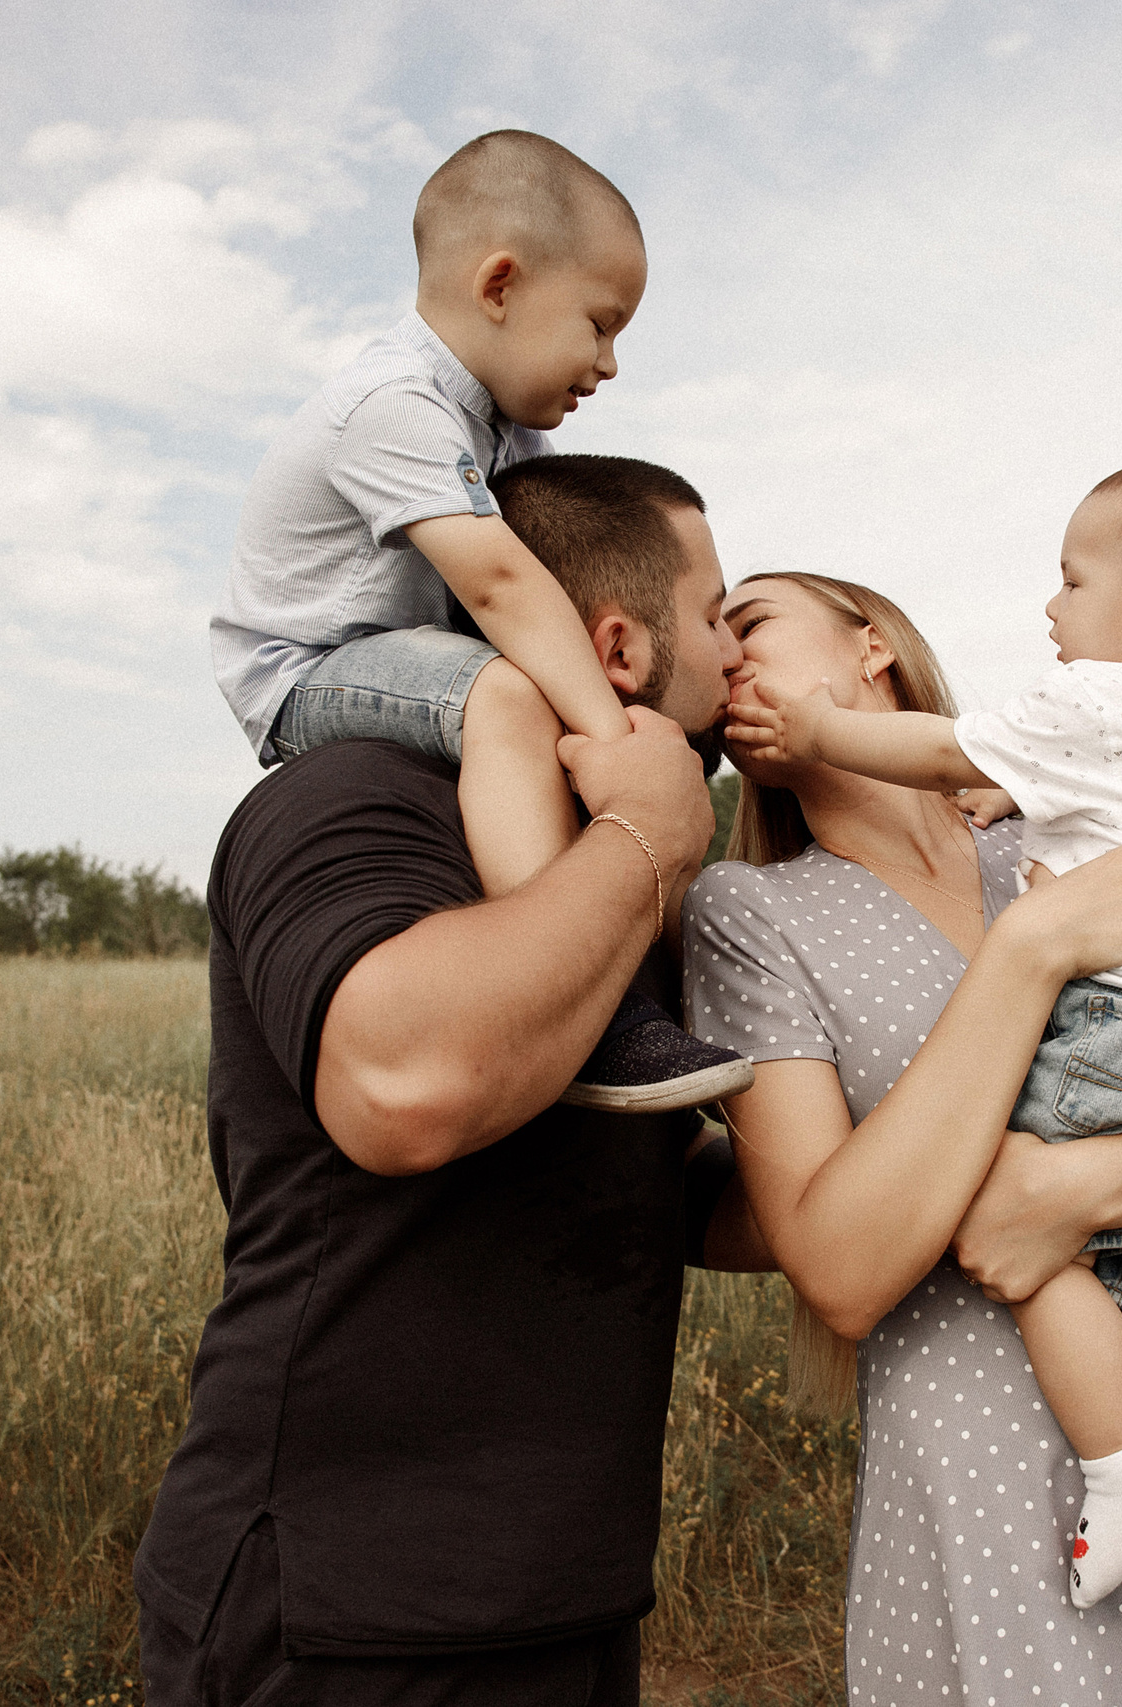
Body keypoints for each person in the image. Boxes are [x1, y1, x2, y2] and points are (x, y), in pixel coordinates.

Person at [139, 455, 769, 1707]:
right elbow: (407, 1085)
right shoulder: (350, 797)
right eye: (712, 614)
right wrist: (650, 835)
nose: (735, 650)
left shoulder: (597, 860)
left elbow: (625, 1173)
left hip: (565, 1589)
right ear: (618, 647)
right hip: (346, 1602)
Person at [687, 572, 1122, 1703]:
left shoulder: (1069, 834)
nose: (723, 661)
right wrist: (1029, 952)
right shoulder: (751, 910)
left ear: (873, 650)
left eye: (748, 622)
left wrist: (1076, 1191)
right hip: (981, 1445)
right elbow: (843, 1272)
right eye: (710, 646)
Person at [208, 128, 745, 1112]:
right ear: (499, 284)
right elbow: (500, 586)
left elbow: (550, 571)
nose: (611, 362)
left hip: (396, 652)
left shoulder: (508, 429)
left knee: (515, 691)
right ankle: (594, 1007)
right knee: (505, 696)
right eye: (599, 322)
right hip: (302, 667)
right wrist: (613, 738)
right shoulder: (393, 403)